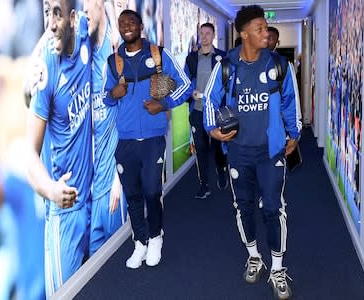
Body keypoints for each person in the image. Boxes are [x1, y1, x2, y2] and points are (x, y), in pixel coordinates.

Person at [203, 5, 301, 300]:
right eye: (259, 28)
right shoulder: (226, 66)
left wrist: (293, 134)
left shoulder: (279, 64)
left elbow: (290, 101)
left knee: (273, 208)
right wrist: (212, 129)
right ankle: (254, 256)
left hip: (270, 152)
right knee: (243, 206)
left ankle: (278, 269)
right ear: (244, 33)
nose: (266, 33)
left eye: (266, 29)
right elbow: (210, 100)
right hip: (238, 153)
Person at [102, 9, 191, 269]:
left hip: (153, 139)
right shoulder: (113, 62)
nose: (127, 27)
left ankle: (155, 238)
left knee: (152, 191)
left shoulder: (158, 54)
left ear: (140, 26)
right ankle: (139, 242)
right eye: (122, 24)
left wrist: (164, 104)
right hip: (126, 141)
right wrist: (113, 93)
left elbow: (184, 85)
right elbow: (105, 98)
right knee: (132, 194)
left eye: (131, 22)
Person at [25, 0, 93, 296]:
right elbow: (28, 153)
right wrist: (50, 190)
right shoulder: (46, 68)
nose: (51, 22)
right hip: (64, 214)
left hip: (92, 200)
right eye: (46, 13)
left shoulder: (86, 38)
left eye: (57, 13)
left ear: (73, 18)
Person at [83, 0, 127, 256]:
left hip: (112, 188)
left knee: (116, 263)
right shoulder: (82, 52)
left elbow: (129, 126)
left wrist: (118, 180)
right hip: (89, 192)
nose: (86, 8)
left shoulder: (114, 54)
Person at [184, 22, 228, 199]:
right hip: (198, 110)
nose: (204, 36)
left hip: (217, 112)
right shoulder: (191, 58)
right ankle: (204, 185)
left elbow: (228, 82)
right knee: (201, 149)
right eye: (201, 33)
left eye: (208, 33)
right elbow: (185, 82)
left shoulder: (223, 57)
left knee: (218, 147)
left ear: (213, 35)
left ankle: (222, 169)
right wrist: (190, 94)